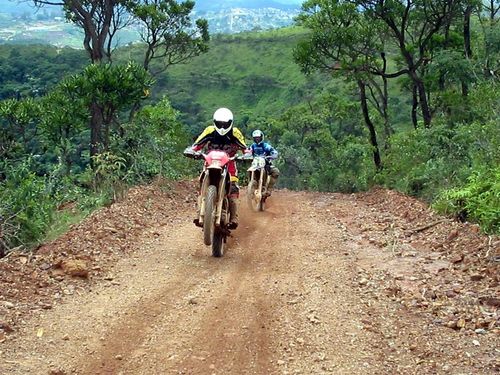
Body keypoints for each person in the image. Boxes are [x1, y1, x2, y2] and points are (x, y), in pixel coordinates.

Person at [184, 108, 247, 229]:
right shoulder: (209, 131)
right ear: (214, 122)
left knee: (233, 190)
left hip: (229, 166)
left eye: (225, 124)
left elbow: (245, 148)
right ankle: (200, 213)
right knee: (201, 185)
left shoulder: (235, 133)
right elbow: (196, 145)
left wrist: (247, 154)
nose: (222, 127)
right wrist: (191, 151)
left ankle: (234, 217)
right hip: (210, 165)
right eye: (219, 123)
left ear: (231, 123)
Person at [249, 129, 279, 196]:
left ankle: (269, 189)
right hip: (255, 165)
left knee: (276, 172)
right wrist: (244, 156)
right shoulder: (252, 146)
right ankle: (251, 186)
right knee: (249, 170)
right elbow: (248, 152)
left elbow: (273, 151)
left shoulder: (265, 145)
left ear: (261, 137)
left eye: (258, 138)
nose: (257, 139)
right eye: (255, 138)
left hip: (266, 164)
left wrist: (273, 155)